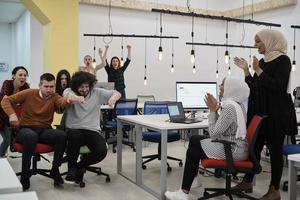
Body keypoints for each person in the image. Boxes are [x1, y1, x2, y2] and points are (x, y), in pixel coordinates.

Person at [233, 29, 298, 200]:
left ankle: (274, 190)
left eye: (258, 41)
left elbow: (278, 86)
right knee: (253, 148)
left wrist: (259, 71)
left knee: (275, 153)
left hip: (277, 115)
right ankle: (248, 181)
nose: (256, 45)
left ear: (270, 41)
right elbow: (255, 88)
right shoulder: (262, 61)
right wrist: (247, 71)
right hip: (262, 114)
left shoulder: (283, 60)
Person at [165, 77, 250, 200]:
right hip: (237, 147)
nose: (220, 86)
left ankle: (183, 192)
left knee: (194, 147)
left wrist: (212, 110)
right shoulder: (237, 104)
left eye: (222, 84)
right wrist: (215, 110)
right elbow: (221, 130)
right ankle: (192, 180)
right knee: (194, 139)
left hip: (232, 150)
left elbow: (214, 134)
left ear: (230, 88)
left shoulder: (230, 107)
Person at [1, 73, 83, 191]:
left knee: (61, 135)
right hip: (25, 129)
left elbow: (61, 102)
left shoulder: (54, 96)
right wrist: (12, 115)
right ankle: (25, 174)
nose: (49, 89)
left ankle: (55, 170)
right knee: (31, 136)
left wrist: (69, 99)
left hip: (44, 130)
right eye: (46, 86)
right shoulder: (29, 93)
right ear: (40, 85)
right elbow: (5, 101)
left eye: (51, 86)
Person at [63, 71, 121, 183]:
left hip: (91, 129)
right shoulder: (69, 91)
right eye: (81, 87)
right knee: (75, 136)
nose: (84, 90)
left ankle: (80, 166)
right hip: (74, 129)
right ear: (75, 86)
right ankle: (71, 169)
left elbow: (117, 93)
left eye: (86, 87)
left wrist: (113, 98)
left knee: (102, 151)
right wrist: (77, 98)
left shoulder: (97, 93)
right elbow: (67, 96)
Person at [0, 66, 29, 157]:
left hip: (14, 117)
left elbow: (27, 102)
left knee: (9, 139)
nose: (23, 77)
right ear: (13, 76)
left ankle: (2, 156)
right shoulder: (7, 83)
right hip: (2, 116)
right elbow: (5, 100)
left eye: (25, 75)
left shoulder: (26, 86)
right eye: (20, 75)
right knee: (7, 139)